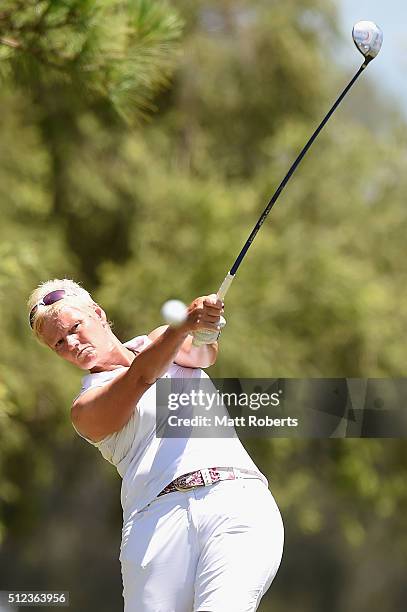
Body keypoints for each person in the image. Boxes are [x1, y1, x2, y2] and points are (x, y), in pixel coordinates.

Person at [28, 279, 284, 612]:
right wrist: (183, 326)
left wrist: (205, 327)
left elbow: (203, 354)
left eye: (74, 328)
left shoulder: (162, 340)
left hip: (235, 500)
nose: (72, 343)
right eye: (59, 343)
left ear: (98, 313)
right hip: (157, 523)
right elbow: (140, 377)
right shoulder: (85, 408)